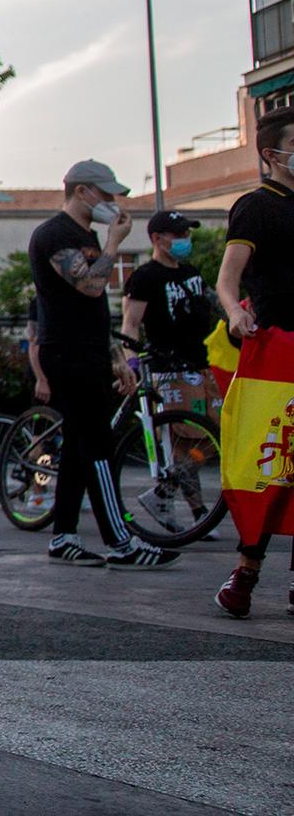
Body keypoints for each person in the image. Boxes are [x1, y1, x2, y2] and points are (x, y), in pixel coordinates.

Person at [27, 159, 179, 569]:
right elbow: (91, 286)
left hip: (88, 350)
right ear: (82, 192)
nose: (112, 202)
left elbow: (92, 308)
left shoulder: (83, 235)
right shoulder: (54, 234)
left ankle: (64, 535)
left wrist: (114, 355)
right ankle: (120, 540)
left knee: (80, 446)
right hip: (67, 352)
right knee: (97, 444)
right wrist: (114, 242)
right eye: (106, 194)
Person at [214, 107, 294, 617]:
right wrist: (233, 315)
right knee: (272, 463)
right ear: (272, 153)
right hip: (276, 350)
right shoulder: (256, 207)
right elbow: (228, 278)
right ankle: (247, 570)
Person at [121, 211, 219, 535]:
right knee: (186, 437)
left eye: (186, 234)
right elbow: (131, 323)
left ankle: (166, 496)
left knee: (212, 435)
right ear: (157, 239)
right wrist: (131, 361)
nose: (184, 241)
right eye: (178, 235)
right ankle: (196, 509)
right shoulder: (145, 277)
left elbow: (212, 303)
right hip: (169, 366)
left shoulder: (190, 272)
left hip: (199, 363)